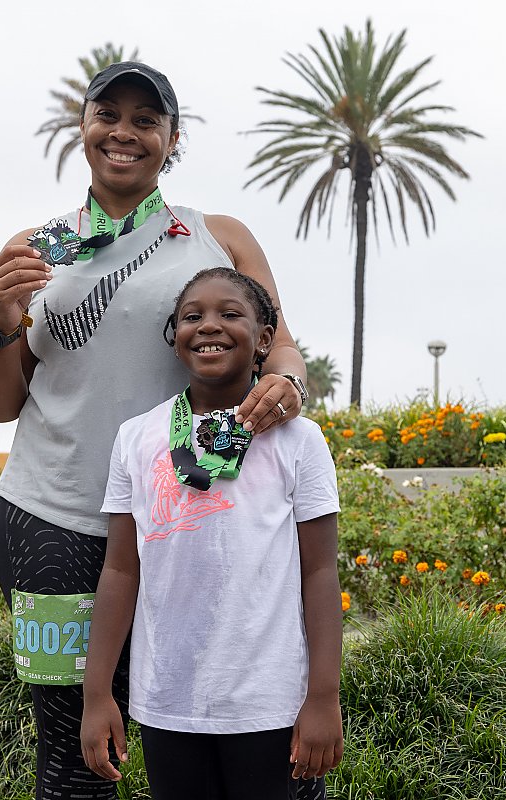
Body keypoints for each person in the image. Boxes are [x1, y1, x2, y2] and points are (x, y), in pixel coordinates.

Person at [0, 61, 311, 799]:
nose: (124, 132)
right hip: (53, 524)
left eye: (146, 120)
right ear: (82, 128)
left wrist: (288, 384)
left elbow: (280, 345)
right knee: (72, 750)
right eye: (107, 114)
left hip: (195, 527)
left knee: (225, 729)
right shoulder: (38, 248)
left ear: (172, 139)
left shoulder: (220, 237)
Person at [81, 268, 343, 798]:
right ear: (174, 340)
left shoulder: (299, 440)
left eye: (230, 314)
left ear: (265, 339)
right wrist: (96, 694)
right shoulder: (136, 439)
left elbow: (319, 572)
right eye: (192, 316)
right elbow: (119, 570)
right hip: (166, 704)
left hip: (266, 705)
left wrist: (323, 697)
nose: (209, 326)